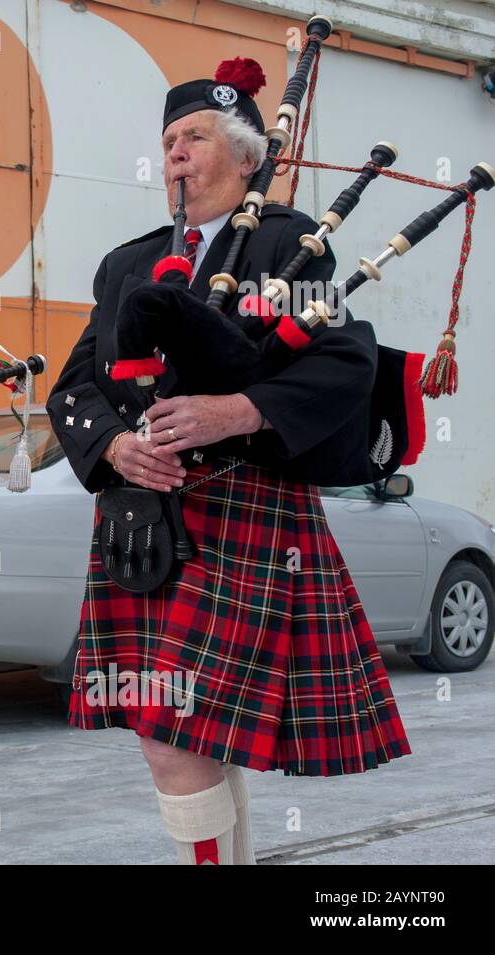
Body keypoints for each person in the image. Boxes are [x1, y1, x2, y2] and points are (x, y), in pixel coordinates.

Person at [47, 57, 410, 864]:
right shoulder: (127, 264)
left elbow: (346, 361)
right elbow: (74, 386)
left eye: (195, 137)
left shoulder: (289, 246)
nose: (175, 152)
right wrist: (112, 444)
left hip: (243, 507)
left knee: (174, 734)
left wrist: (236, 410)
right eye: (169, 139)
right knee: (183, 733)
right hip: (143, 520)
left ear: (248, 159)